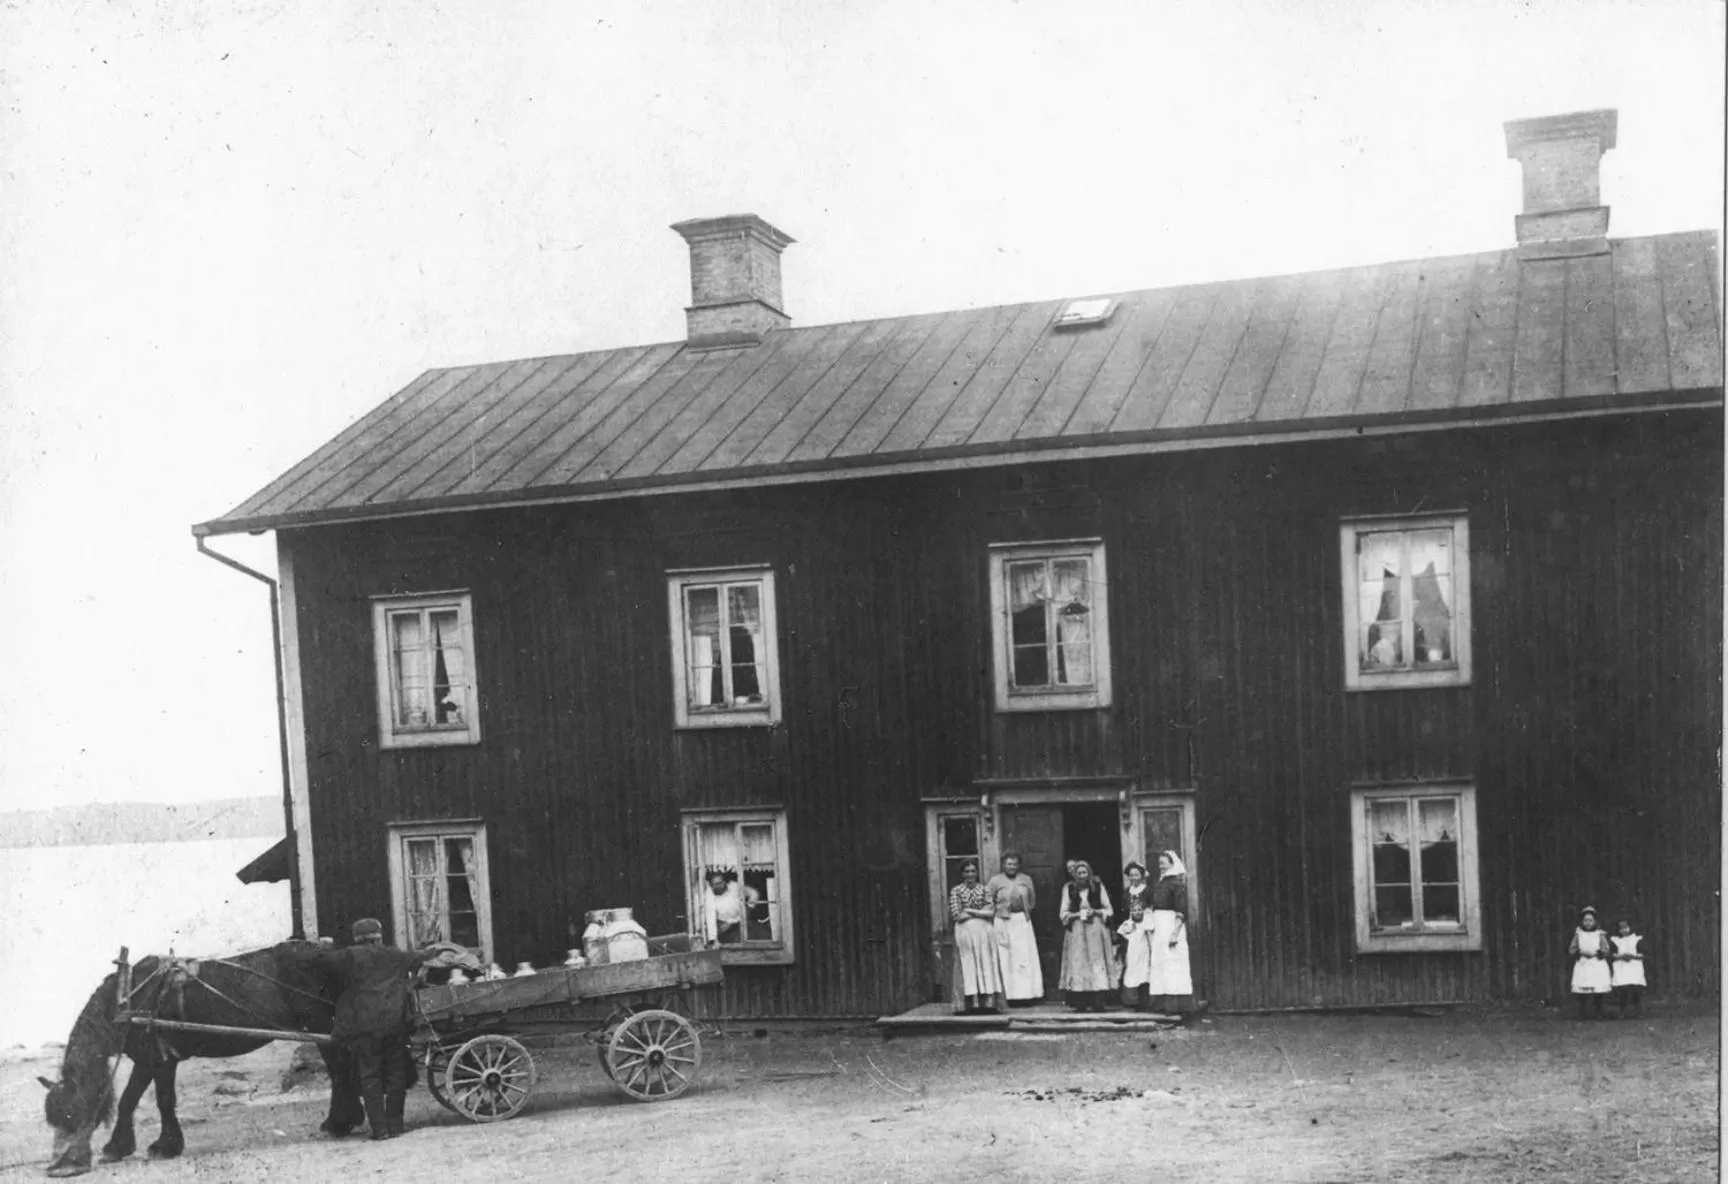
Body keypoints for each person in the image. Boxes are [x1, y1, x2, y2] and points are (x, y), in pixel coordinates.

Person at [281, 918, 466, 1139]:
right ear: (379, 937)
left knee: (370, 1077)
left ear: (357, 938)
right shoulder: (395, 955)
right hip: (395, 1025)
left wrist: (323, 945)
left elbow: (319, 961)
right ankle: (396, 1126)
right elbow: (423, 957)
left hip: (364, 1028)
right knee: (395, 1075)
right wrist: (442, 949)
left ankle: (380, 1130)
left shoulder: (348, 956)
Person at [1057, 860, 1117, 1012]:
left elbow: (1109, 909)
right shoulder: (1069, 888)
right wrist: (1076, 914)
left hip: (1095, 928)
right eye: (1079, 873)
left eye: (1084, 873)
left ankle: (1098, 1001)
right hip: (1077, 929)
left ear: (1089, 873)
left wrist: (1095, 912)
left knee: (1096, 962)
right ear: (1075, 875)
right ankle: (1080, 1002)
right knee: (1079, 963)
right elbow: (1063, 912)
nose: (1082, 876)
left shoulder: (1097, 886)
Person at [948, 860, 1005, 1014]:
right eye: (967, 871)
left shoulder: (984, 889)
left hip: (984, 932)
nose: (970, 874)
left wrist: (971, 911)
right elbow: (957, 915)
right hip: (965, 932)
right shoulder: (956, 891)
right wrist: (980, 912)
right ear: (962, 874)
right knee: (968, 964)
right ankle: (968, 1005)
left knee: (985, 964)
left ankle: (987, 1004)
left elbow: (990, 912)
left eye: (973, 871)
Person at [986, 852, 1044, 1005]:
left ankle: (1026, 996)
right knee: (1006, 958)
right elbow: (988, 901)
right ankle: (1008, 996)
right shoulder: (995, 881)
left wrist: (1022, 911)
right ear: (1003, 865)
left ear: (1019, 865)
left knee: (1024, 958)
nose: (1011, 867)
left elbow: (1032, 900)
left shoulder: (1026, 880)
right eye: (1008, 864)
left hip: (1021, 921)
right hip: (1002, 921)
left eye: (1014, 864)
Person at [1145, 850, 1193, 1014]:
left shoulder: (1177, 883)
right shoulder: (1159, 883)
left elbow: (1181, 910)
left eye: (1164, 863)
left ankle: (1175, 1005)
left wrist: (1174, 933)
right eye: (1159, 864)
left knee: (1173, 962)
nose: (1161, 866)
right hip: (1159, 926)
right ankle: (1160, 1003)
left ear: (1172, 864)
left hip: (1172, 925)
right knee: (1160, 962)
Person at [1117, 862, 1153, 1010]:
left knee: (1144, 963)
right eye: (1131, 875)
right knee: (1131, 963)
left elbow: (1151, 909)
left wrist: (1143, 923)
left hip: (1144, 931)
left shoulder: (1148, 891)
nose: (1134, 877)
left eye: (1136, 874)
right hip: (1131, 932)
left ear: (1142, 875)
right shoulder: (1127, 892)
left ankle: (1145, 1000)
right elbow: (1123, 911)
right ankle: (1132, 1000)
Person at [1569, 906, 1612, 1020]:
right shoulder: (1578, 934)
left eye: (1590, 920)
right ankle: (1583, 1012)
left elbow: (1606, 948)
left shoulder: (1600, 934)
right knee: (1582, 988)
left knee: (1598, 988)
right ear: (1582, 922)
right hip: (1583, 963)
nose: (1588, 923)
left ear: (1595, 921)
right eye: (1585, 920)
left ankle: (1598, 1012)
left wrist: (1601, 953)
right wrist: (1578, 953)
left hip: (1596, 963)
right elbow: (1572, 948)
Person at [701, 868, 759, 945]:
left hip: (741, 923)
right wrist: (713, 938)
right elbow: (710, 915)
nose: (718, 886)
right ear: (711, 885)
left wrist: (749, 909)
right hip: (723, 928)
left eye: (720, 883)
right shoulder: (709, 895)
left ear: (725, 882)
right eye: (715, 884)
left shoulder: (734, 887)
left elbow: (753, 893)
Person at [1608, 917, 1646, 1019]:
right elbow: (1612, 954)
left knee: (1636, 989)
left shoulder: (1637, 939)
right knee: (1622, 990)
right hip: (1621, 966)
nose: (1624, 930)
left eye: (1626, 927)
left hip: (1634, 965)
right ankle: (1622, 1011)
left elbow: (1642, 954)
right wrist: (1621, 956)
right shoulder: (1616, 940)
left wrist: (1632, 956)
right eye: (1621, 928)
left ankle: (1638, 1011)